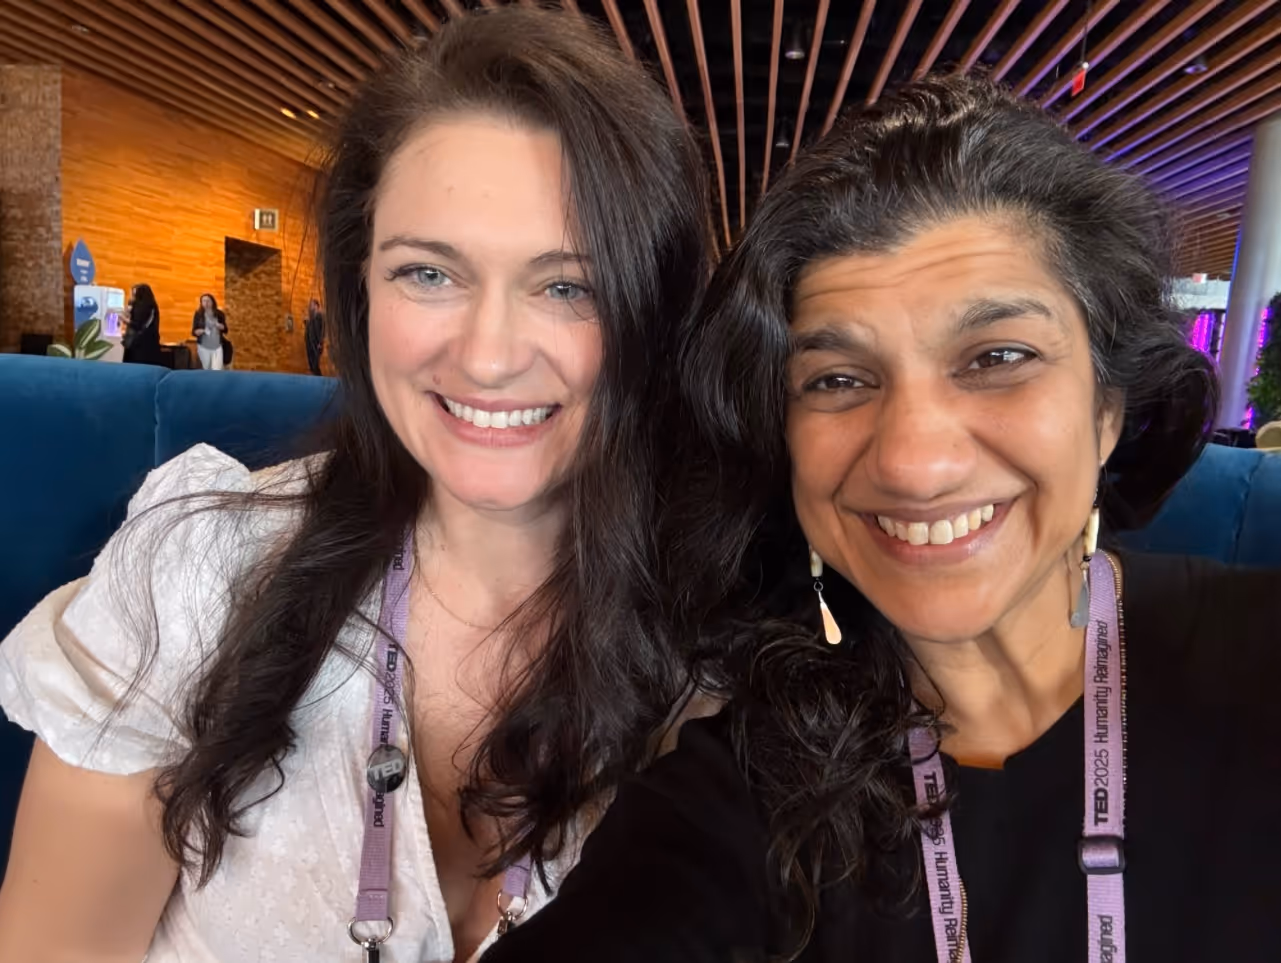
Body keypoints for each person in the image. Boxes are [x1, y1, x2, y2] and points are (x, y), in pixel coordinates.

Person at [480, 74, 1281, 963]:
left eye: (996, 356)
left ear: (1106, 408)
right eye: (836, 380)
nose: (912, 460)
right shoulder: (739, 794)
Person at [0, 8, 710, 962]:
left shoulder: (726, 648)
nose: (489, 355)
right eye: (428, 272)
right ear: (358, 291)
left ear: (653, 320)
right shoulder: (201, 572)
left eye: (567, 286)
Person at [122, 282, 162, 366]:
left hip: (141, 345)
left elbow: (138, 324)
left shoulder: (144, 307)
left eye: (134, 294)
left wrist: (125, 320)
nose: (132, 297)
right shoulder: (150, 306)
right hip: (149, 344)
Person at [192, 293, 229, 370]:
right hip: (203, 346)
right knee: (206, 368)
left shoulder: (219, 314)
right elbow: (194, 331)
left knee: (217, 369)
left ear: (213, 302)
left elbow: (225, 329)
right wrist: (201, 331)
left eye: (208, 301)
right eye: (204, 301)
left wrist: (220, 326)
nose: (206, 303)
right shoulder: (198, 314)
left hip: (217, 346)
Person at [305, 298, 325, 375]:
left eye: (312, 305)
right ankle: (315, 377)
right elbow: (311, 330)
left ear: (316, 306)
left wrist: (320, 342)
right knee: (311, 362)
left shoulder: (320, 315)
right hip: (311, 342)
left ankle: (319, 379)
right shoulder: (312, 318)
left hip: (317, 343)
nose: (311, 307)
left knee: (315, 364)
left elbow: (322, 329)